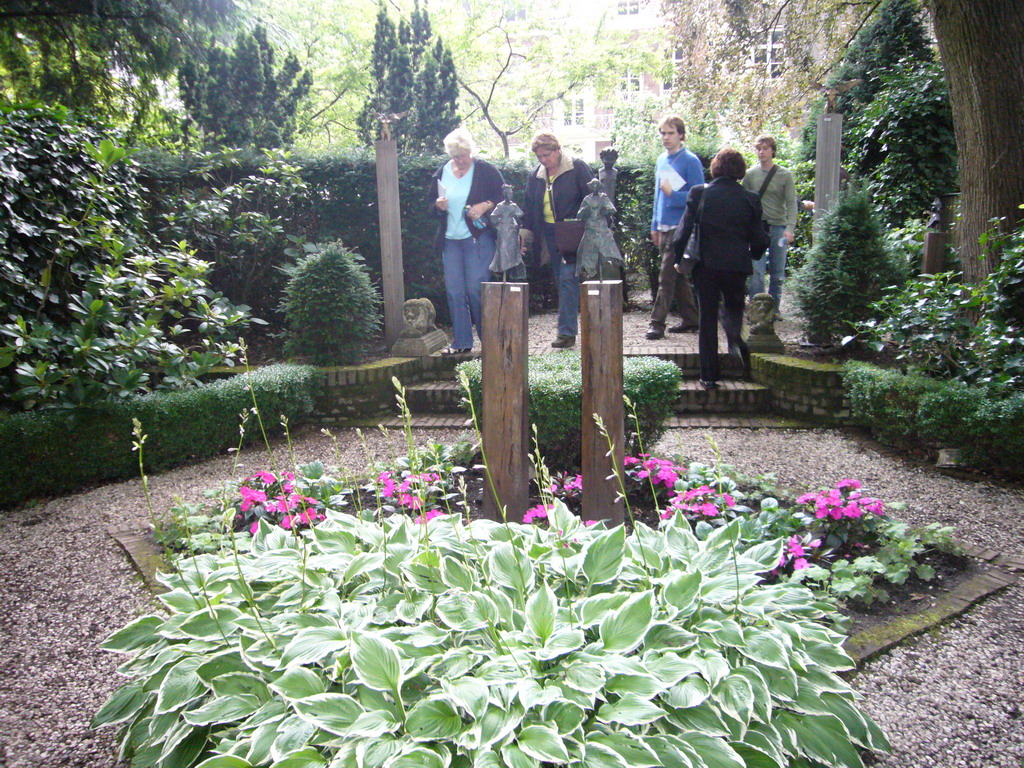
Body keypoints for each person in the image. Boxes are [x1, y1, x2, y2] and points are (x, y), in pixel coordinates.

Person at [674, 148, 769, 389]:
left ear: (715, 167)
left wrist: (679, 258)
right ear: (740, 170)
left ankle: (709, 376)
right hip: (737, 265)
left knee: (707, 317)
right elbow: (759, 238)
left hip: (706, 264)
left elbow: (683, 231)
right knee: (734, 308)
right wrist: (754, 254)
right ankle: (735, 339)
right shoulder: (750, 198)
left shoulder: (700, 194)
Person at [428, 128, 504, 355]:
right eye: (455, 157)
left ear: (470, 152)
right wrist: (438, 206)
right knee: (454, 291)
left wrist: (486, 204)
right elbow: (430, 207)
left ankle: (489, 341)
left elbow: (505, 197)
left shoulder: (485, 170)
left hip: (477, 239)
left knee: (476, 290)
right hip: (450, 240)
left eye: (463, 156)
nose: (460, 161)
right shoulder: (442, 172)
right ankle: (461, 343)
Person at [521, 132, 594, 348]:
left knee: (567, 279)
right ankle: (569, 328)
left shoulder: (577, 167)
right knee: (562, 281)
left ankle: (566, 332)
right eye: (539, 156)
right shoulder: (535, 175)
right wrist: (525, 235)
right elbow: (528, 207)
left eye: (547, 154)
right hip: (549, 236)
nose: (544, 160)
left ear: (557, 149)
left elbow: (592, 198)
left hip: (572, 233)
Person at [647, 115, 705, 340]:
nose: (665, 137)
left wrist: (675, 194)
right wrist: (654, 225)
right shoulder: (661, 159)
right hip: (663, 226)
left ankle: (656, 323)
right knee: (677, 275)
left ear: (681, 134)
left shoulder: (690, 161)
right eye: (662, 133)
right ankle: (691, 319)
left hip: (680, 227)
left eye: (670, 133)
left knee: (666, 275)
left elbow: (698, 197)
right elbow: (657, 196)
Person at [743, 135, 797, 311]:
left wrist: (790, 228)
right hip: (758, 228)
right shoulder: (750, 175)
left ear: (772, 151)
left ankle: (774, 310)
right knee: (757, 272)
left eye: (765, 148)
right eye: (758, 148)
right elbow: (744, 201)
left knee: (777, 273)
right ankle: (757, 310)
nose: (761, 152)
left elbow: (791, 202)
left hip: (779, 228)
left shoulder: (784, 175)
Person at [575, 177, 622, 280]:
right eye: (593, 185)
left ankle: (610, 264)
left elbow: (612, 209)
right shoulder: (587, 199)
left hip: (601, 227)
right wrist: (585, 211)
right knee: (586, 250)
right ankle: (590, 271)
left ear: (599, 187)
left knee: (608, 247)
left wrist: (605, 210)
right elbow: (579, 215)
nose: (595, 187)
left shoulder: (603, 197)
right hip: (590, 227)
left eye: (596, 185)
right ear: (590, 187)